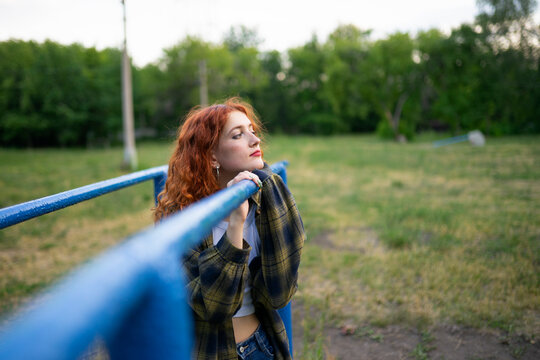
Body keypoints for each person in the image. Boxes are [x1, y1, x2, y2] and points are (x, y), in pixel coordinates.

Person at [154, 98, 305, 360]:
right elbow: (214, 306)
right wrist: (235, 222)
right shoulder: (181, 219)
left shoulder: (268, 193)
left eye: (252, 131)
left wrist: (269, 185)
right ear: (212, 155)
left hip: (261, 346)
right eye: (238, 135)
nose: (254, 140)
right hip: (209, 353)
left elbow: (280, 291)